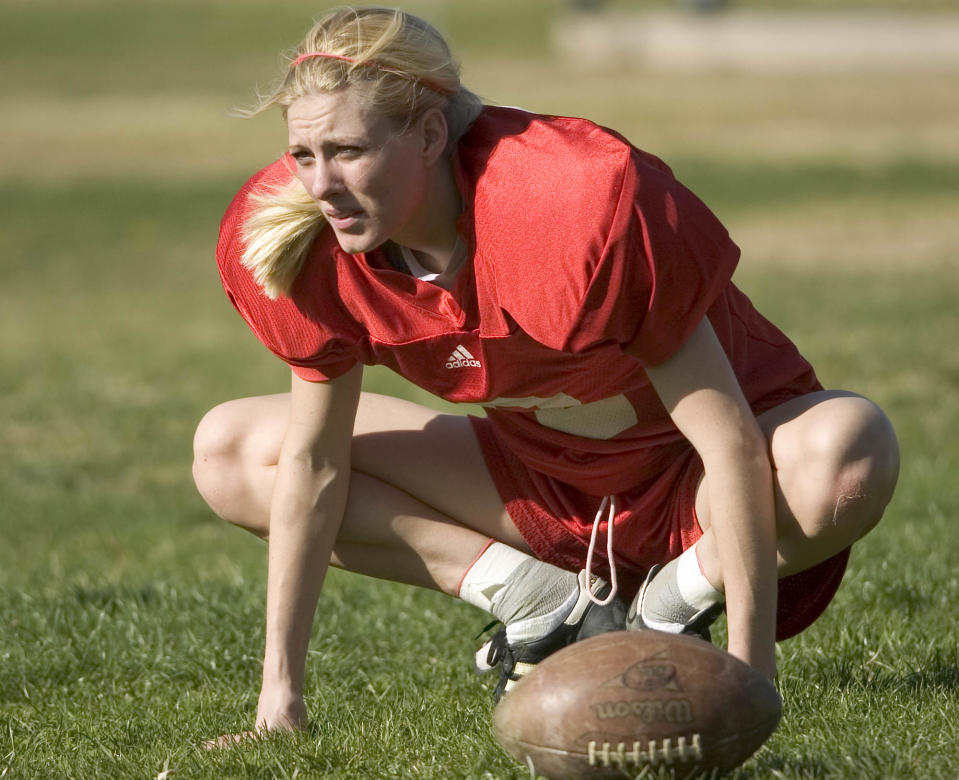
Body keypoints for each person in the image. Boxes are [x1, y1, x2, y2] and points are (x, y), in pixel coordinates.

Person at [193, 5, 900, 746]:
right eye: (302, 155)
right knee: (231, 452)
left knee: (848, 448)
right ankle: (544, 603)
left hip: (697, 490)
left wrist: (747, 681)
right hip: (540, 486)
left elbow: (726, 441)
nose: (321, 185)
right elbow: (314, 461)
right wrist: (280, 699)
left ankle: (671, 602)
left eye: (347, 150)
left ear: (431, 135)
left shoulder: (572, 202)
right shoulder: (304, 242)